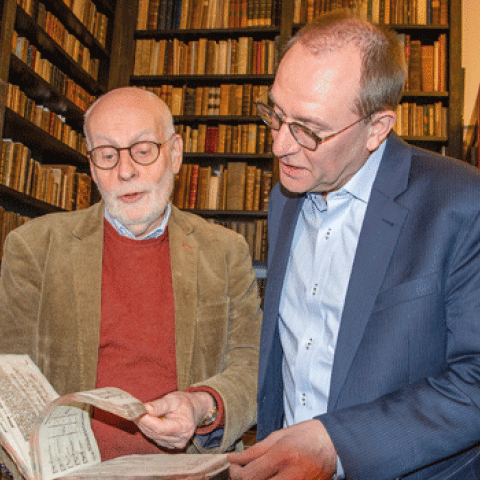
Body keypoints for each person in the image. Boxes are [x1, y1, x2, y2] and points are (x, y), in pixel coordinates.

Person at [228, 10, 480, 480]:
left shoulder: (462, 203)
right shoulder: (286, 197)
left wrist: (335, 444)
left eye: (308, 128)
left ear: (377, 127)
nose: (281, 145)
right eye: (275, 115)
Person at [0, 87, 261, 474]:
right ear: (91, 166)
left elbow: (252, 365)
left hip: (187, 470)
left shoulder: (225, 251)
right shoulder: (34, 248)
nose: (125, 171)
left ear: (175, 154)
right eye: (107, 155)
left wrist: (201, 406)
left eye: (142, 150)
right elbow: (9, 377)